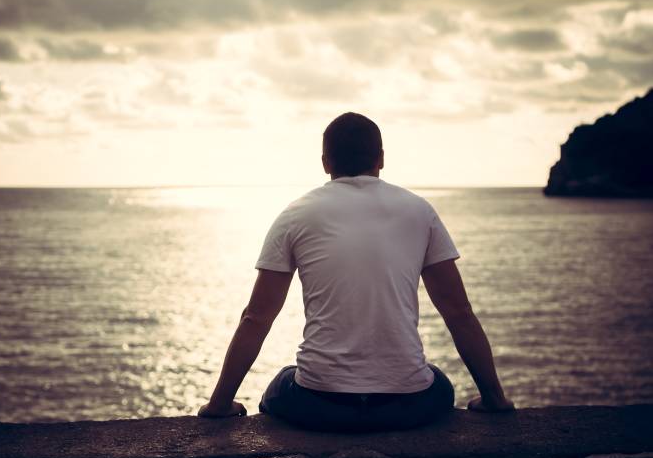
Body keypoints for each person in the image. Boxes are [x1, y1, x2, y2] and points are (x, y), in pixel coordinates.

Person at [198, 112, 514, 431]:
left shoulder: (294, 214)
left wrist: (220, 404)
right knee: (438, 381)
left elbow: (257, 317)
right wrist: (494, 399)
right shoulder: (420, 211)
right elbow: (459, 313)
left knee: (282, 381)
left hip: (319, 404)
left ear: (325, 162)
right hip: (407, 406)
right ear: (381, 159)